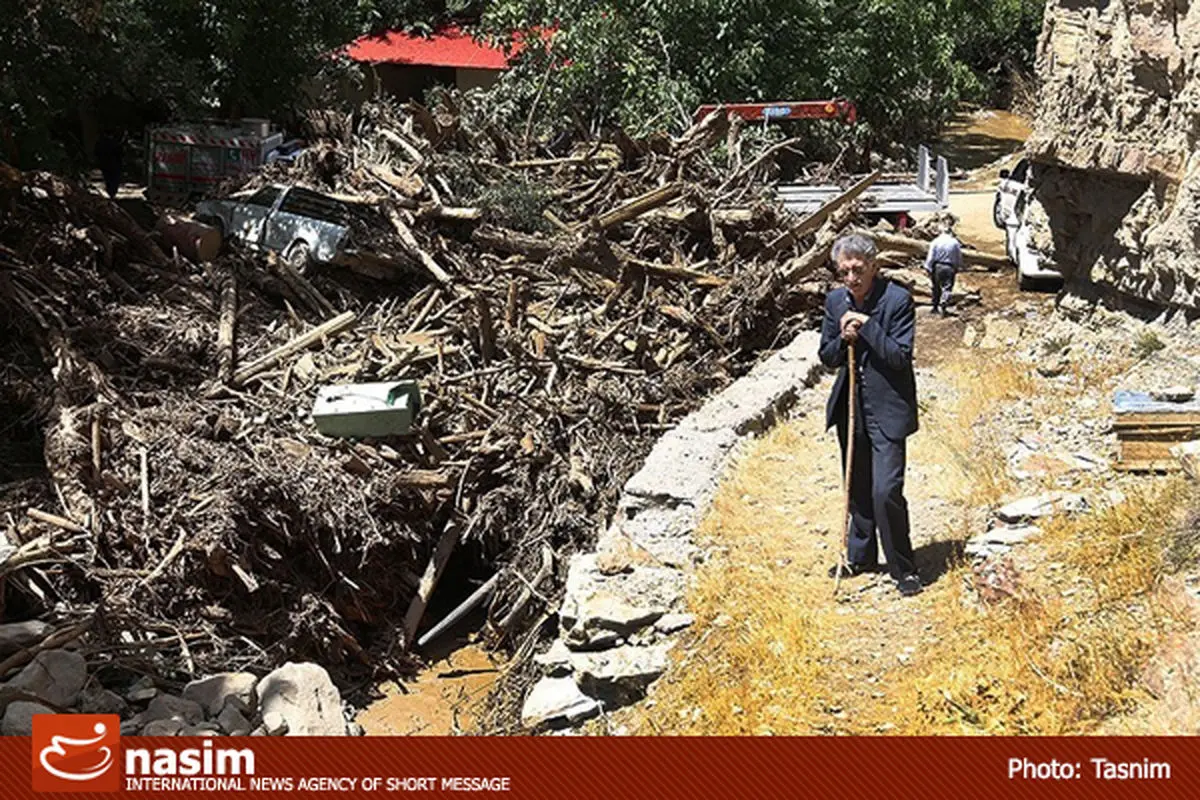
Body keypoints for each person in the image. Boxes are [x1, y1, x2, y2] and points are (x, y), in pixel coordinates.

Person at [818, 232, 922, 597]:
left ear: (874, 267)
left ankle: (903, 568)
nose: (851, 278)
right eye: (844, 270)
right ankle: (861, 557)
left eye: (858, 269)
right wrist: (843, 337)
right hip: (851, 408)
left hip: (888, 409)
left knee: (886, 490)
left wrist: (866, 326)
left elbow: (898, 357)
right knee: (858, 487)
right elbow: (827, 356)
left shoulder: (897, 301)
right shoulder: (834, 302)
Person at [924, 222, 962, 316]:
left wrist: (927, 267)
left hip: (937, 266)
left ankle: (935, 307)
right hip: (949, 267)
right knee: (947, 287)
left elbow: (931, 256)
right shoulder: (955, 242)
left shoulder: (935, 242)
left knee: (936, 288)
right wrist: (958, 266)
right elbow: (958, 257)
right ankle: (944, 303)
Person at [94, 130, 123, 199]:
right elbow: (120, 153)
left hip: (105, 163)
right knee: (114, 178)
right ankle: (112, 192)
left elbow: (96, 152)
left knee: (108, 178)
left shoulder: (101, 142)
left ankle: (110, 191)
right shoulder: (115, 143)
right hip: (114, 164)